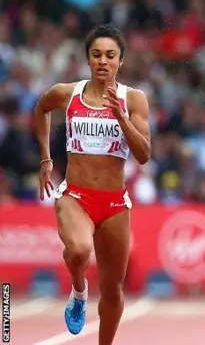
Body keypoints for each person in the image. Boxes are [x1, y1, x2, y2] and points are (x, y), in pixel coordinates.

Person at [34, 24, 151, 345]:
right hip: (76, 196)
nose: (103, 61)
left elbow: (143, 154)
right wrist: (45, 159)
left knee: (113, 289)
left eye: (110, 56)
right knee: (79, 250)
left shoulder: (134, 99)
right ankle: (79, 292)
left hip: (114, 203)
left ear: (121, 61)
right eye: (96, 55)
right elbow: (41, 108)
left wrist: (121, 117)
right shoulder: (67, 93)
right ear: (88, 59)